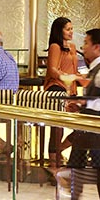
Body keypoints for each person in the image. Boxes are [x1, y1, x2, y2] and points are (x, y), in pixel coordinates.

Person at [49, 28, 100, 200]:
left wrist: (86, 104)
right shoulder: (95, 69)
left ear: (97, 47)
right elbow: (96, 98)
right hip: (87, 128)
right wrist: (80, 106)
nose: (83, 47)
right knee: (76, 163)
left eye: (87, 43)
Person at [43, 17, 80, 171]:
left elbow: (75, 70)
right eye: (68, 29)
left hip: (71, 89)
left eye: (72, 29)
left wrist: (82, 78)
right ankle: (54, 162)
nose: (71, 32)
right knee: (57, 127)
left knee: (80, 125)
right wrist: (68, 77)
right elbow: (52, 70)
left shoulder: (73, 47)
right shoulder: (55, 46)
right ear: (60, 31)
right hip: (57, 88)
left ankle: (59, 151)